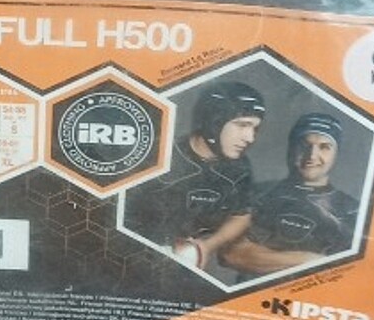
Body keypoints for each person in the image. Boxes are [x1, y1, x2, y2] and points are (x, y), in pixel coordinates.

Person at [123, 81, 266, 270]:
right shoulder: (160, 156)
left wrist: (207, 246)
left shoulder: (240, 167)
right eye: (242, 125)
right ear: (215, 121)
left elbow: (242, 215)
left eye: (254, 128)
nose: (250, 137)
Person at [220, 112, 359, 276]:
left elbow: (349, 273)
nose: (312, 155)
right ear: (291, 148)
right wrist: (311, 261)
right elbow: (233, 254)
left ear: (336, 154)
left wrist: (270, 257)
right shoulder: (258, 195)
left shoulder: (352, 210)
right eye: (304, 145)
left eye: (324, 147)